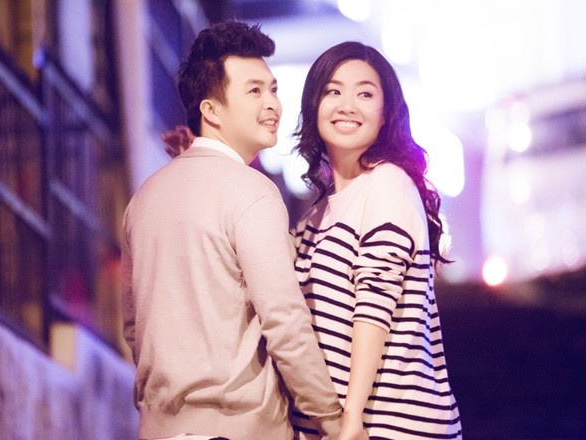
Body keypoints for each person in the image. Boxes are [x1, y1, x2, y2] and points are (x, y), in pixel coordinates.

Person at [120, 21, 342, 440]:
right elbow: (285, 321)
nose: (272, 103)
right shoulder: (253, 192)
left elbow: (135, 328)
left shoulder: (143, 199)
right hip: (238, 428)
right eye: (254, 91)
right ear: (211, 111)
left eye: (273, 89)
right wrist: (332, 420)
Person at [289, 42, 462, 439]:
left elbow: (375, 302)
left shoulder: (387, 183)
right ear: (314, 104)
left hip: (387, 425)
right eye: (333, 91)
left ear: (385, 115)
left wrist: (351, 417)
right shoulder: (318, 214)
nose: (347, 105)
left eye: (365, 94)